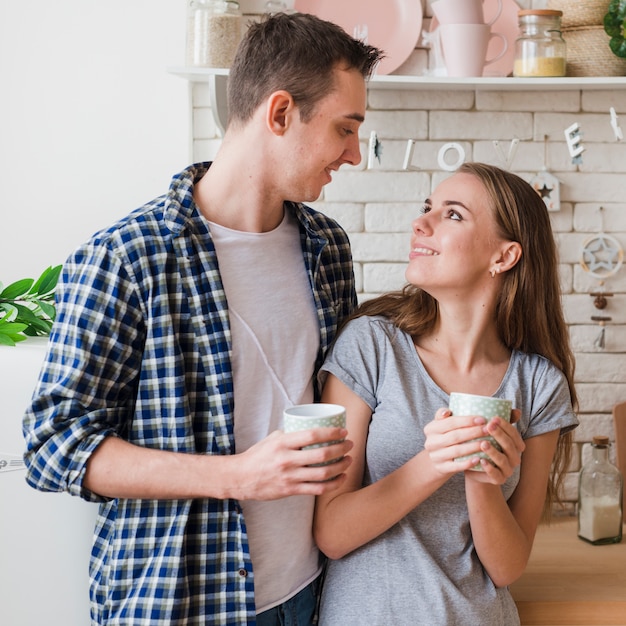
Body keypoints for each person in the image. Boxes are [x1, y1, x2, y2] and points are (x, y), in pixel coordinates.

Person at [22, 13, 383, 625]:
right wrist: (238, 475)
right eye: (344, 129)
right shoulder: (127, 258)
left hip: (309, 593)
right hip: (178, 602)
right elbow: (52, 446)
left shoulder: (328, 249)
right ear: (279, 114)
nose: (353, 154)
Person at [313, 162, 579, 626]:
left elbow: (508, 566)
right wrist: (435, 462)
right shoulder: (371, 346)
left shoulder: (539, 385)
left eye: (452, 214)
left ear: (504, 255)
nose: (421, 223)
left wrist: (483, 480)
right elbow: (331, 532)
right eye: (427, 208)